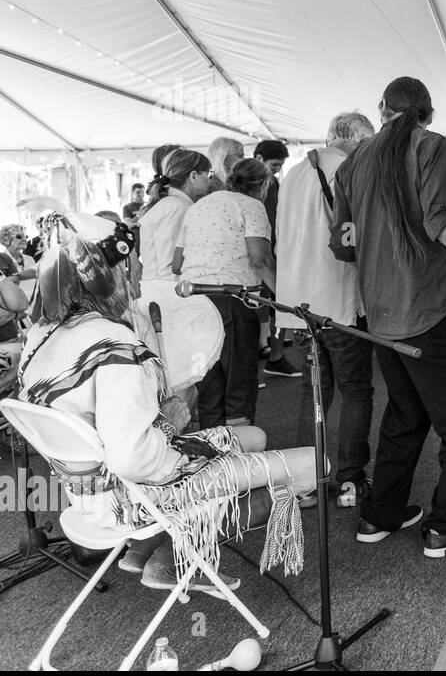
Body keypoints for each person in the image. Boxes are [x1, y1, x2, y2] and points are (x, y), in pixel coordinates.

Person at [15, 213, 315, 592]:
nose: (139, 268)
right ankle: (172, 555)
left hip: (87, 495)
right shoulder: (114, 345)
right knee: (313, 466)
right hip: (135, 493)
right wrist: (178, 435)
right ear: (114, 271)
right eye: (133, 260)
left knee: (252, 435)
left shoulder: (40, 336)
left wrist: (170, 429)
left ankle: (143, 553)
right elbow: (132, 458)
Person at [329, 77, 446, 558]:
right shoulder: (433, 147)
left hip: (377, 313)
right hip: (429, 307)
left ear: (382, 110)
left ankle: (381, 514)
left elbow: (342, 244)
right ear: (428, 112)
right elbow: (441, 223)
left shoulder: (353, 161)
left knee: (406, 413)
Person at [276, 111, 376, 507]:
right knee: (355, 389)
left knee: (313, 389)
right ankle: (351, 480)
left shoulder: (293, 175)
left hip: (298, 302)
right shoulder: (349, 171)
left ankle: (304, 482)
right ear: (356, 140)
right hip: (338, 297)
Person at [175, 159, 276, 428]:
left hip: (193, 302)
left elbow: (176, 263)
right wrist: (285, 298)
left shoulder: (198, 206)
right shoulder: (251, 206)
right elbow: (260, 259)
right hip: (231, 300)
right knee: (238, 386)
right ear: (263, 185)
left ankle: (213, 459)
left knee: (208, 388)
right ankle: (238, 460)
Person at [251, 139, 295, 377]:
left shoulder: (274, 183)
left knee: (279, 307)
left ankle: (276, 358)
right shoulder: (247, 185)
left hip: (275, 254)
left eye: (279, 165)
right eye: (274, 164)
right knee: (258, 311)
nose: (277, 169)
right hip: (259, 256)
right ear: (258, 159)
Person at [136, 149, 212, 282]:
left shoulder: (172, 205)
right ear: (193, 176)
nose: (209, 180)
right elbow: (169, 267)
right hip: (167, 295)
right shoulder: (176, 208)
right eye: (208, 174)